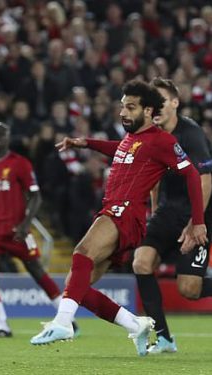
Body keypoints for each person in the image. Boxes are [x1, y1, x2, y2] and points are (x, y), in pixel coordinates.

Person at [31, 80, 208, 356]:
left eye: (130, 107)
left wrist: (198, 221)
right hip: (119, 214)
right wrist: (85, 143)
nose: (123, 113)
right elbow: (119, 148)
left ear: (148, 110)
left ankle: (63, 322)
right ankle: (135, 324)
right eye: (122, 107)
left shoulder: (163, 140)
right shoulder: (133, 138)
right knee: (76, 285)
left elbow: (193, 175)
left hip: (124, 212)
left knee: (81, 253)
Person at [0, 122, 70, 338]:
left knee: (37, 271)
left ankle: (68, 319)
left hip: (16, 231)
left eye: (3, 133)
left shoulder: (20, 164)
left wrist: (25, 224)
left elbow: (36, 196)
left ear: (9, 138)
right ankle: (2, 326)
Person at [132, 78, 212, 354]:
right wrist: (153, 213)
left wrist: (196, 223)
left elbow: (205, 180)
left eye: (162, 102)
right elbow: (153, 178)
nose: (157, 108)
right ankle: (164, 338)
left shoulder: (191, 133)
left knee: (189, 289)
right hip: (168, 211)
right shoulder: (151, 136)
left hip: (197, 211)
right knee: (141, 263)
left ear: (175, 103)